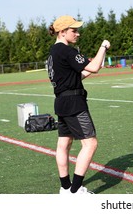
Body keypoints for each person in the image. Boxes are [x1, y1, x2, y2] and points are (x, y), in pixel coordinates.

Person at [47, 15, 110, 194]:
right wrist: (103, 47)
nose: (77, 34)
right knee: (90, 143)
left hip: (61, 101)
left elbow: (76, 76)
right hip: (74, 103)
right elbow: (94, 67)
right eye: (73, 30)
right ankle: (75, 191)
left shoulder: (53, 52)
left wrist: (95, 63)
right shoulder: (67, 51)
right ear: (62, 32)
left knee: (64, 144)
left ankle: (66, 188)